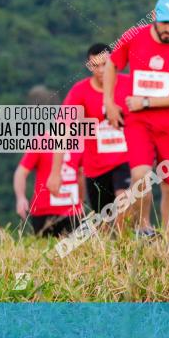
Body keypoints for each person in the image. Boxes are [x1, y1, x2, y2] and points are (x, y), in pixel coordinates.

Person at [104, 0, 169, 236]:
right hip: (138, 121)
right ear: (155, 17)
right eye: (164, 22)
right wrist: (108, 101)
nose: (168, 29)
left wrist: (147, 101)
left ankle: (168, 240)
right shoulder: (134, 36)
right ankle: (144, 227)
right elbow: (112, 63)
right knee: (140, 177)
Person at [48, 44, 132, 220]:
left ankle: (125, 244)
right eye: (95, 65)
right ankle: (108, 247)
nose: (101, 70)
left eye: (105, 64)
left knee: (123, 201)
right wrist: (55, 173)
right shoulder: (80, 91)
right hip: (96, 166)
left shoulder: (129, 84)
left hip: (126, 160)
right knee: (102, 221)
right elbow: (62, 131)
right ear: (89, 66)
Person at [15, 148, 84, 237]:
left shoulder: (79, 141)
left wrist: (81, 202)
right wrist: (21, 197)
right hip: (44, 212)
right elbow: (21, 172)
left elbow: (80, 174)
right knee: (43, 248)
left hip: (72, 212)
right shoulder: (40, 142)